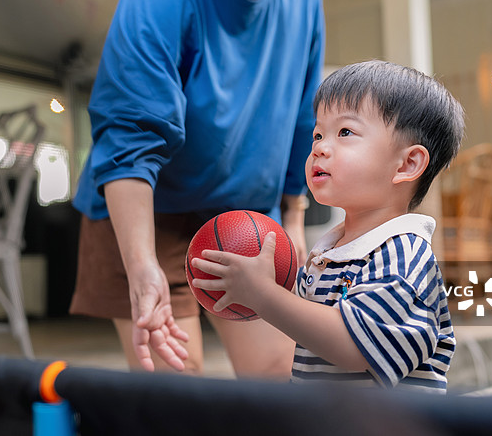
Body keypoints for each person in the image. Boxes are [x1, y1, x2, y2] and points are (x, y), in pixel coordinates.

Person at [70, 0, 324, 377]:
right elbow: (129, 138)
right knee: (180, 390)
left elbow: (302, 115)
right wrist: (141, 266)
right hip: (146, 213)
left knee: (284, 379)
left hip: (243, 216)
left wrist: (293, 215)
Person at [191, 60, 465, 391]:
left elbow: (351, 347)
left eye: (345, 132)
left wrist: (263, 295)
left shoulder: (404, 258)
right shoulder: (329, 251)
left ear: (407, 164)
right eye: (318, 133)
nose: (319, 147)